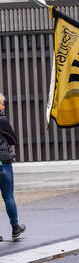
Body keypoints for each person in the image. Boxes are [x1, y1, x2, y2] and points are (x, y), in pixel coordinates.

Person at [0, 93, 25, 240]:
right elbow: (13, 139)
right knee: (8, 196)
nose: (4, 106)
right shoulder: (2, 119)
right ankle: (15, 227)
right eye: (2, 104)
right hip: (4, 163)